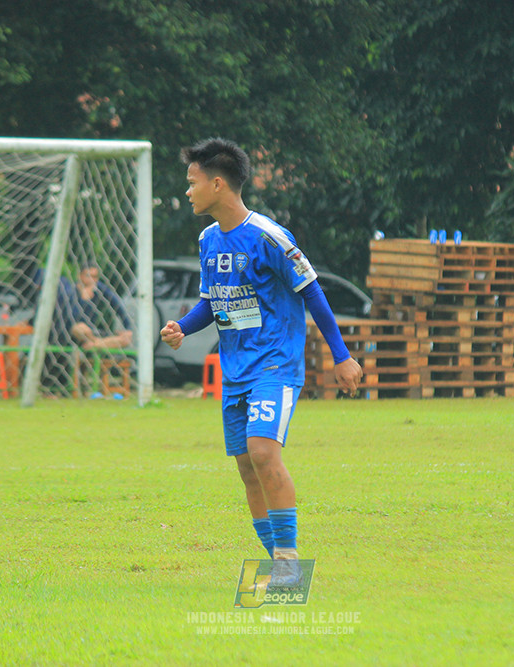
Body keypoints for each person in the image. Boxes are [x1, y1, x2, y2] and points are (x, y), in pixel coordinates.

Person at [160, 138, 362, 586]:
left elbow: (312, 292)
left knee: (263, 451)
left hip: (275, 365)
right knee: (248, 470)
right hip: (234, 372)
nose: (187, 191)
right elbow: (212, 304)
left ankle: (288, 567)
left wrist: (342, 356)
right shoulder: (208, 239)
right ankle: (282, 568)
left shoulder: (270, 236)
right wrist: (182, 328)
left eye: (192, 183)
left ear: (217, 183)